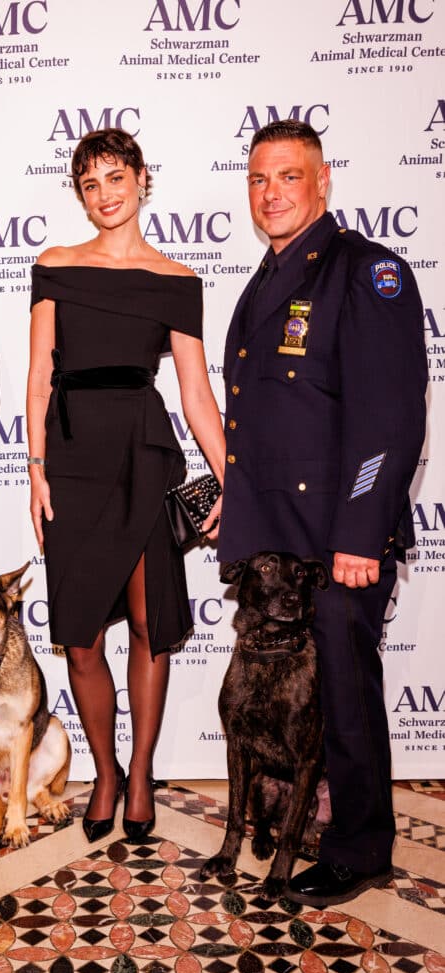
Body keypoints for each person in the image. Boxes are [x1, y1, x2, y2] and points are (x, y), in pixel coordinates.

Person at [217, 119, 427, 906]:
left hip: (337, 540)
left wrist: (359, 532)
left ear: (322, 179)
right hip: (278, 541)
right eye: (258, 180)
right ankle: (313, 821)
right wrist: (231, 510)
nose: (270, 193)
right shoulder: (270, 276)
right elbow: (267, 420)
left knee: (342, 690)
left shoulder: (368, 272)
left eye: (287, 176)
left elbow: (390, 417)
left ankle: (361, 846)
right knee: (305, 699)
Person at [27, 128, 225, 844]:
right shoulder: (53, 267)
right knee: (79, 639)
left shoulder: (176, 281)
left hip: (143, 456)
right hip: (73, 459)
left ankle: (138, 774)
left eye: (115, 177)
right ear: (79, 195)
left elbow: (197, 395)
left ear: (143, 179)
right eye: (90, 183)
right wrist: (35, 470)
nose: (105, 194)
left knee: (148, 626)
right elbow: (38, 376)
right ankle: (103, 771)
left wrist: (236, 483)